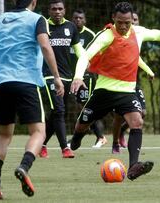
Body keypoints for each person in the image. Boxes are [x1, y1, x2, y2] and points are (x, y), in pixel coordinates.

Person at [69, 2, 160, 180]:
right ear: (113, 19)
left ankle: (134, 166)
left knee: (137, 121)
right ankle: (78, 136)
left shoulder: (138, 32)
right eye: (120, 22)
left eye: (128, 22)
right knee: (81, 126)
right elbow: (86, 55)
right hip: (104, 90)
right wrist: (78, 76)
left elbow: (155, 33)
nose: (124, 26)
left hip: (127, 91)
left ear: (132, 20)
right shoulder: (106, 35)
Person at [0, 0, 64, 199]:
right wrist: (56, 76)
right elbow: (44, 45)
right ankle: (24, 167)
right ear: (33, 2)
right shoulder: (37, 19)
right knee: (38, 132)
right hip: (26, 81)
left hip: (1, 83)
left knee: (3, 135)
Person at [39, 0, 86, 158]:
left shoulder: (71, 27)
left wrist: (86, 65)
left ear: (65, 11)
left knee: (57, 113)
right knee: (59, 110)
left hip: (67, 77)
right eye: (54, 9)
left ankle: (42, 143)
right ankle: (65, 148)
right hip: (49, 75)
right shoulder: (43, 25)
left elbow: (78, 50)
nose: (57, 12)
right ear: (49, 10)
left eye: (60, 9)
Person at [71, 8, 108, 148]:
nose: (78, 20)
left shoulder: (90, 35)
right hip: (72, 77)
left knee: (87, 108)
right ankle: (83, 133)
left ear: (85, 20)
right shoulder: (68, 32)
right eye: (75, 18)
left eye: (80, 18)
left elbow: (97, 55)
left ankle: (101, 137)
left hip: (86, 78)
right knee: (79, 108)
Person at [111, 11, 146, 154]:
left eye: (135, 20)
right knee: (119, 117)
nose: (134, 22)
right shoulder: (116, 35)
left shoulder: (139, 35)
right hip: (118, 84)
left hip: (133, 83)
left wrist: (148, 71)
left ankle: (121, 132)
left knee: (142, 112)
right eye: (133, 20)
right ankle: (115, 142)